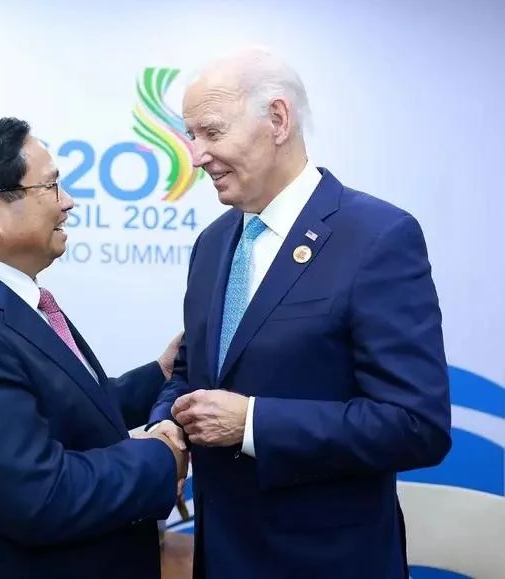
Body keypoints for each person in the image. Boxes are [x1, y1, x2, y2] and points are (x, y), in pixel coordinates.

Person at [147, 48, 452, 579]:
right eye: (190, 136)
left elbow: (416, 424)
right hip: (220, 554)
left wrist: (254, 423)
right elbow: (196, 374)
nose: (195, 156)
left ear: (278, 120)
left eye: (211, 133)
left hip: (326, 561)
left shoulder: (377, 236)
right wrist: (164, 428)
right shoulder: (212, 244)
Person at [0, 118, 188, 579]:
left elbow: (61, 408)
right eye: (50, 187)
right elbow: (40, 495)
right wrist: (160, 457)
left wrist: (159, 375)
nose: (68, 202)